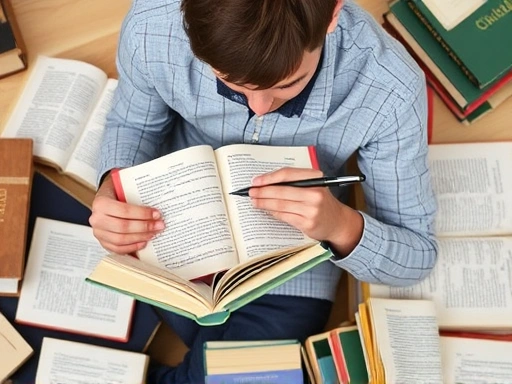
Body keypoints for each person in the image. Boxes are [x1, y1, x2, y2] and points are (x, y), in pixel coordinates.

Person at [89, 0, 438, 382]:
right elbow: (132, 124)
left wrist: (339, 226)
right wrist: (112, 188)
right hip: (168, 228)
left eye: (289, 83)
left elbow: (417, 256)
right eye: (227, 79)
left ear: (334, 14)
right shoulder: (153, 24)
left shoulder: (390, 86)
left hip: (290, 279)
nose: (260, 107)